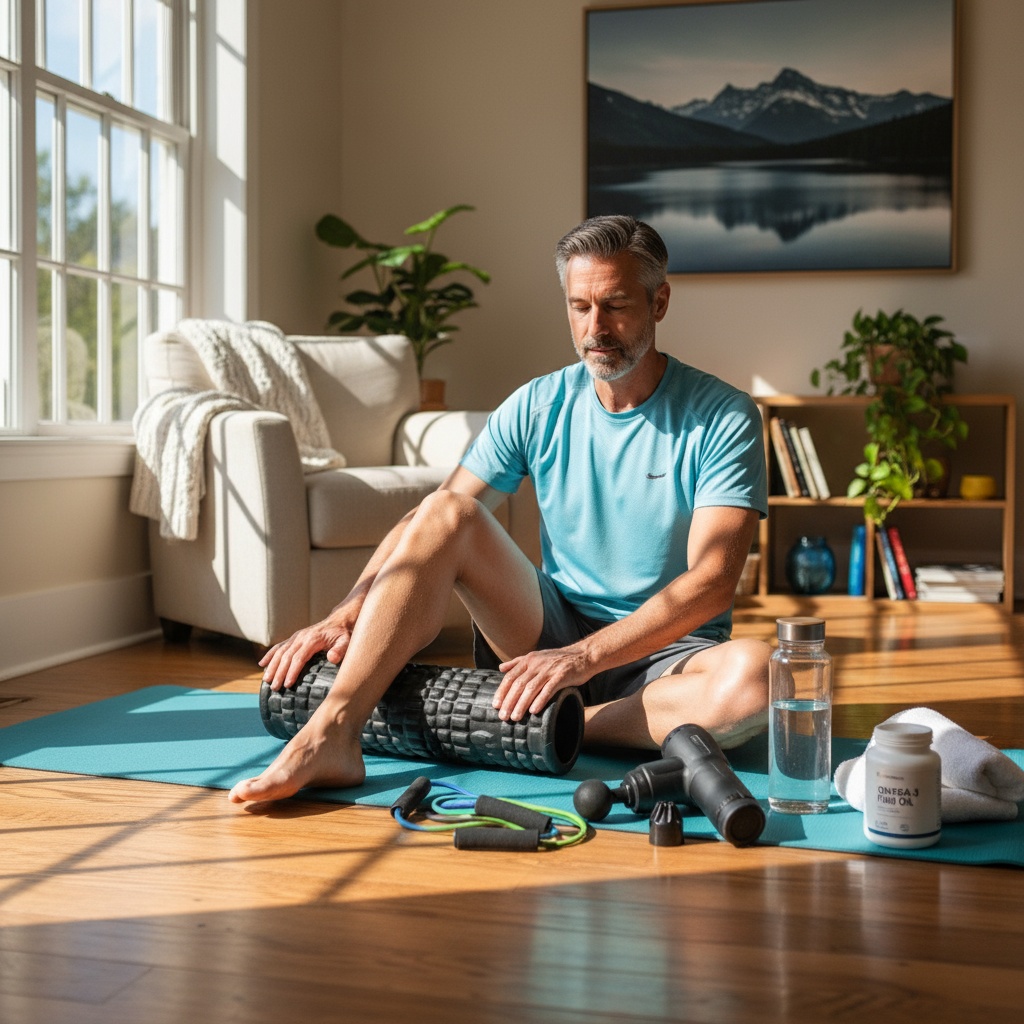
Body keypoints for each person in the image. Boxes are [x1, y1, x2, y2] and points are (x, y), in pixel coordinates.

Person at [228, 214, 769, 806]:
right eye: (579, 306)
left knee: (757, 679)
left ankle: (556, 722)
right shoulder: (538, 403)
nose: (596, 328)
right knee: (447, 510)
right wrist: (346, 611)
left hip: (667, 656)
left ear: (659, 301)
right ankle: (331, 733)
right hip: (552, 628)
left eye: (615, 305)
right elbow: (432, 522)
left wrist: (582, 660)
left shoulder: (723, 415)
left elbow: (713, 583)